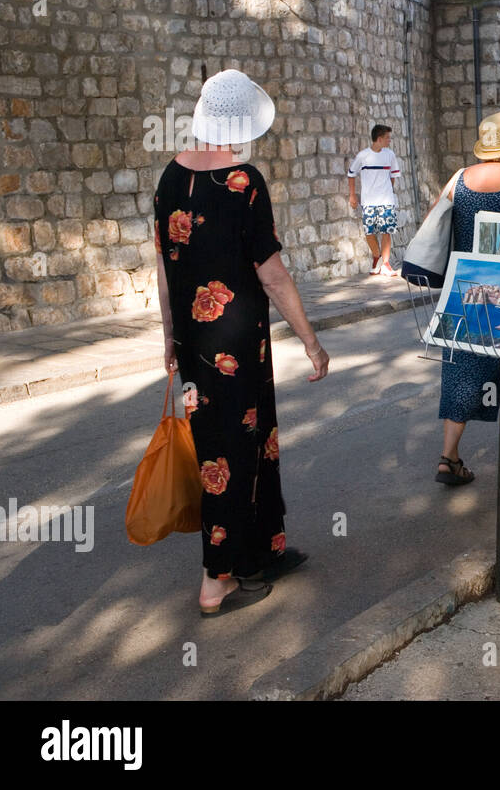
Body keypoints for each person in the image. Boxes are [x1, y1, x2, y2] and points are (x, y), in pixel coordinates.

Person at [154, 69, 330, 617]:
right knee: (229, 456)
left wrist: (168, 337)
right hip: (238, 345)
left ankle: (259, 555)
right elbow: (272, 274)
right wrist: (311, 342)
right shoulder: (243, 181)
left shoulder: (169, 177)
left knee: (241, 446)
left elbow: (163, 267)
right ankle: (215, 581)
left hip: (194, 343)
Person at [435, 111, 500, 486]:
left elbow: (436, 221)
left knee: (461, 373)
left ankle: (448, 458)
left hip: (464, 291)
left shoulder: (459, 179)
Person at [347, 125, 402, 276]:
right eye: (387, 138)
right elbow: (351, 174)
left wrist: (387, 191)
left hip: (386, 200)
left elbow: (393, 176)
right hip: (368, 201)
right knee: (369, 232)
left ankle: (385, 263)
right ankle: (376, 256)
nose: (389, 141)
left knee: (387, 231)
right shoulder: (363, 156)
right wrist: (352, 195)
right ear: (379, 139)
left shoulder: (390, 155)